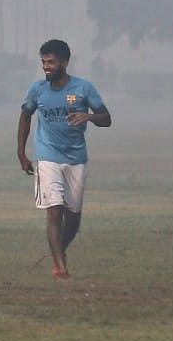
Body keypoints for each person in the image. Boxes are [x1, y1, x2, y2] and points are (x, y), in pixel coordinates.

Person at [16, 39, 111, 280]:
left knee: (73, 217)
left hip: (76, 157)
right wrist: (21, 153)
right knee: (54, 211)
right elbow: (25, 116)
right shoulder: (37, 90)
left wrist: (88, 117)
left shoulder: (83, 88)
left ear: (65, 63)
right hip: (47, 157)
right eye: (44, 62)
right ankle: (60, 267)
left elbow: (106, 118)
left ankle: (60, 250)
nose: (47, 67)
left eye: (51, 62)